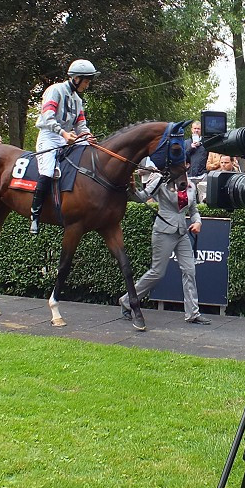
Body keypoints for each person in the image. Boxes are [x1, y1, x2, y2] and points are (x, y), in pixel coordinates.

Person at [118, 172, 209, 325]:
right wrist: (132, 188)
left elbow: (193, 210)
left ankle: (193, 313)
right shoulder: (161, 181)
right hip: (163, 232)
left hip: (182, 233)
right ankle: (127, 301)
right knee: (157, 273)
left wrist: (198, 222)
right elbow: (141, 197)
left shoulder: (191, 185)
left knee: (190, 270)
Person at [30, 59, 97, 234]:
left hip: (68, 137)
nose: (87, 85)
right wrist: (64, 134)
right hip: (50, 136)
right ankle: (35, 215)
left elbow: (81, 126)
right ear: (76, 78)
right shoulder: (55, 90)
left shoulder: (78, 100)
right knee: (47, 170)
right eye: (86, 81)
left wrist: (88, 137)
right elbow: (47, 117)